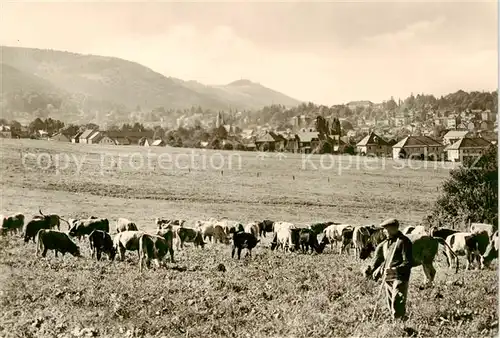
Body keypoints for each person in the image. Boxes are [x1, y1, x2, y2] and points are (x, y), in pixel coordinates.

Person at [368, 218, 413, 320]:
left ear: (394, 229)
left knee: (397, 300)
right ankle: (394, 320)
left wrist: (396, 269)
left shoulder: (404, 242)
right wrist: (377, 270)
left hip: (400, 276)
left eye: (386, 230)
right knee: (390, 301)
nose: (384, 232)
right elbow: (386, 261)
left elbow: (408, 262)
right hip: (388, 276)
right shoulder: (386, 243)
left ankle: (399, 322)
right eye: (384, 230)